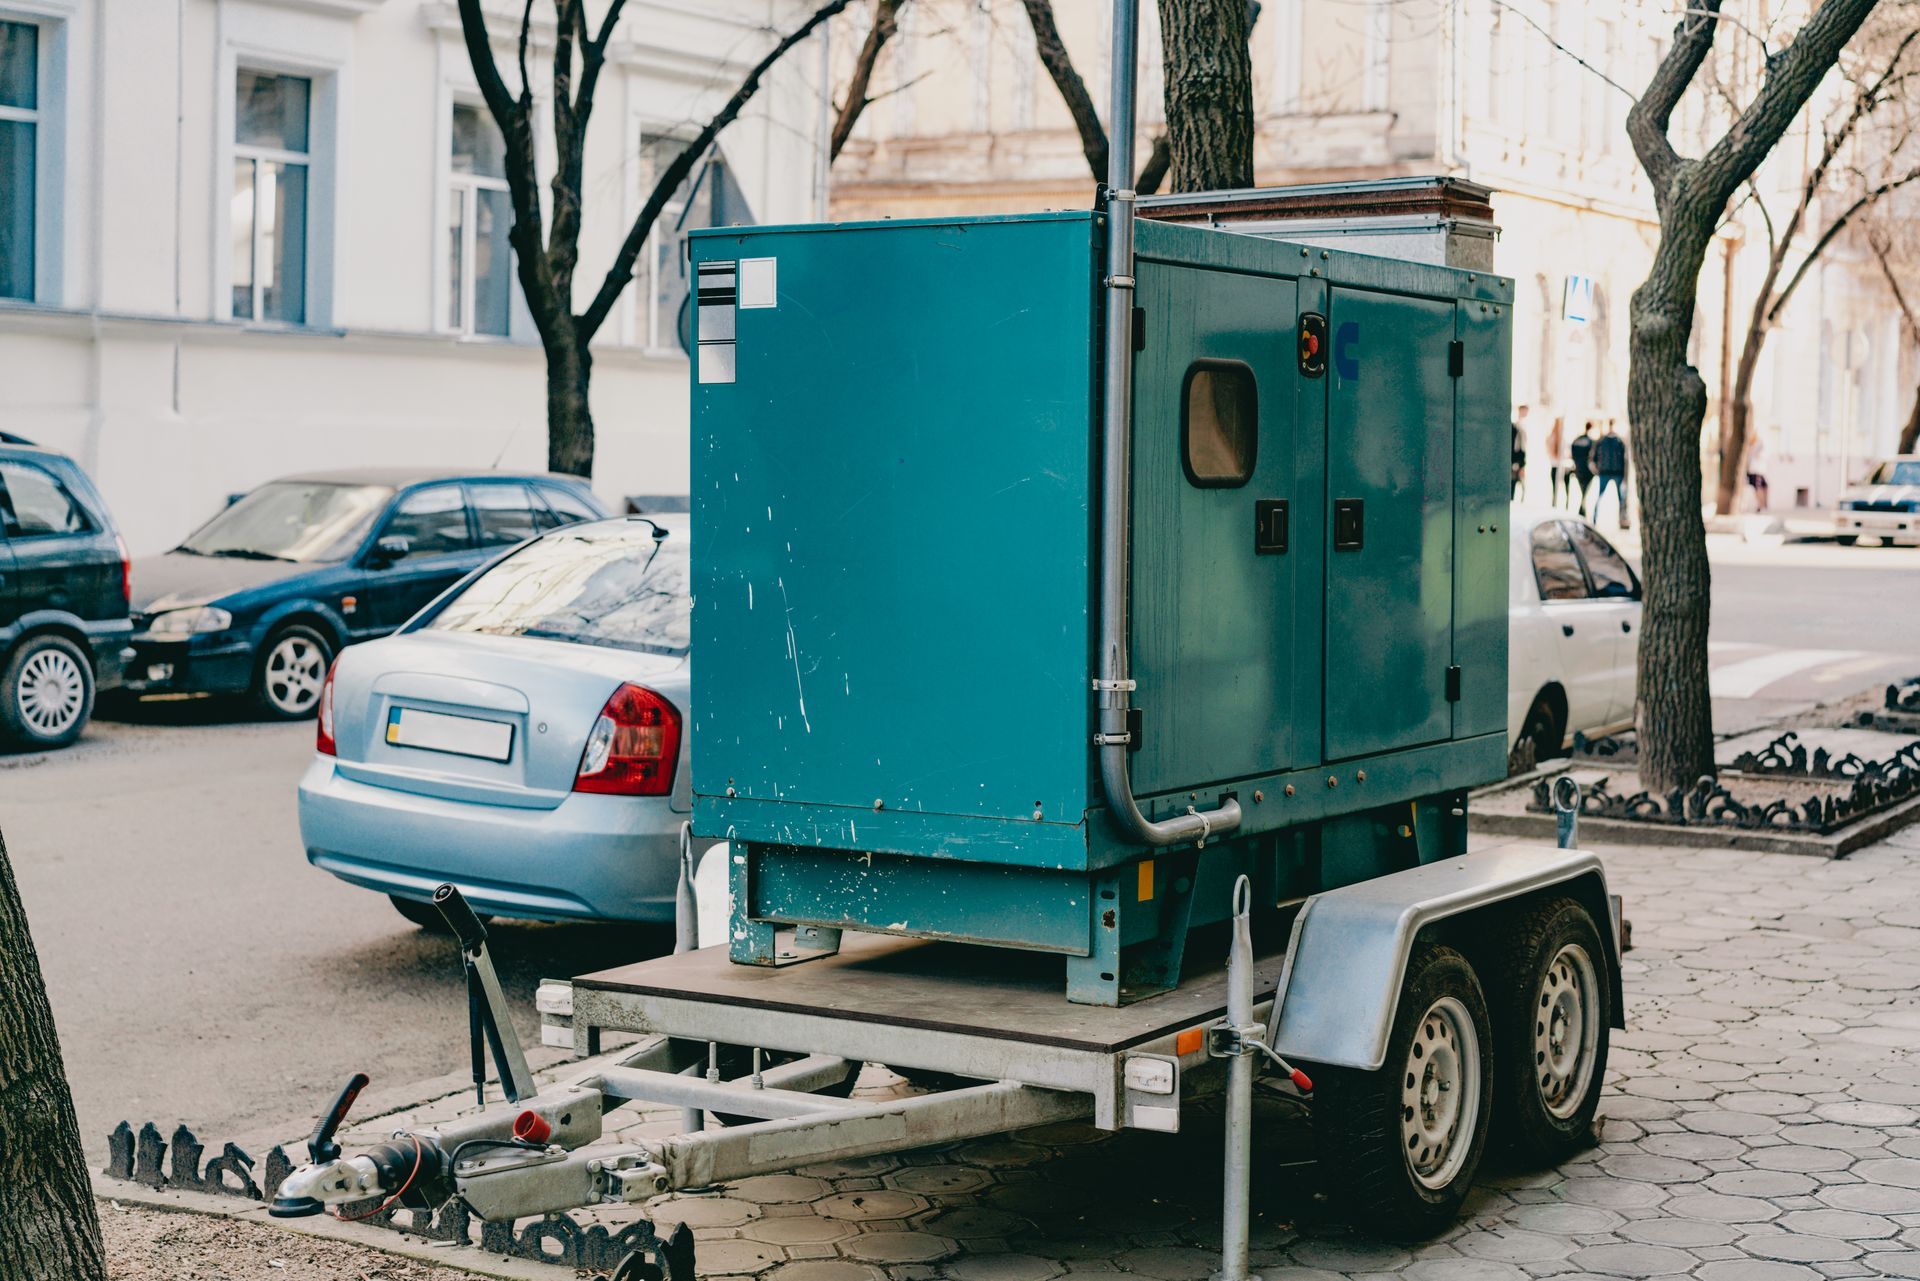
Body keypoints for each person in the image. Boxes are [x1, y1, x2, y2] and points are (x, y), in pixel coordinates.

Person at [1592, 420, 1629, 527]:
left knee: (1620, 498)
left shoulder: (1613, 441)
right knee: (1605, 497)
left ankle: (1622, 520)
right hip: (1609, 472)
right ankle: (1595, 520)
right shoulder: (1617, 441)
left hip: (1613, 472)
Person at [1569, 421, 1595, 516]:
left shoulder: (1577, 440)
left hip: (1578, 468)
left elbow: (1573, 452)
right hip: (1587, 470)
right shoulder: (1590, 442)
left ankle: (1582, 509)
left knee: (1583, 489)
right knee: (1585, 490)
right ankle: (1582, 509)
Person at [1547, 415, 1569, 506]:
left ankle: (1563, 504)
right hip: (1557, 466)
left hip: (1560, 466)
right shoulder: (1554, 438)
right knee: (1557, 489)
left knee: (1562, 489)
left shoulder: (1559, 438)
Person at [1746, 433, 1770, 512]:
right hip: (1755, 470)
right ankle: (1760, 505)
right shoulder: (1752, 445)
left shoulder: (1757, 444)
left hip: (1759, 470)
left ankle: (1762, 504)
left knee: (1764, 486)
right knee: (1757, 488)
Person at [1511, 404, 1529, 499]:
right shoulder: (1517, 426)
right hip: (1517, 460)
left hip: (1520, 460)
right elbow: (1518, 447)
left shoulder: (1524, 425)